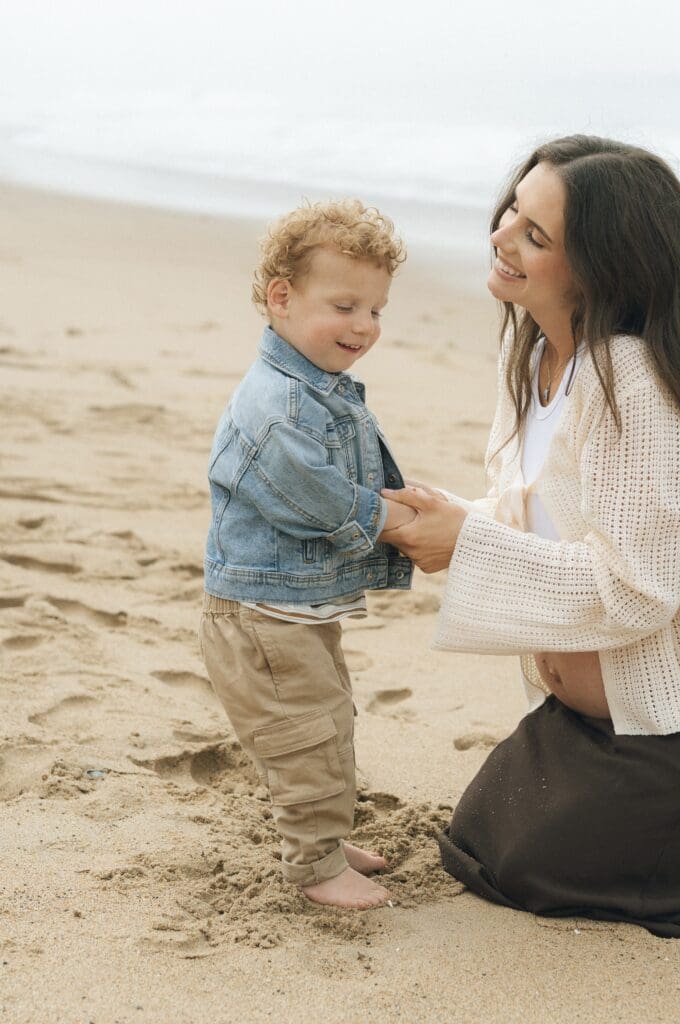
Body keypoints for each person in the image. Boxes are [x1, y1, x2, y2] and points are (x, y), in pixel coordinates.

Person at [383, 136, 680, 937]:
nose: (501, 238)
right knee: (487, 834)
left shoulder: (631, 380)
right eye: (512, 214)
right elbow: (545, 522)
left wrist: (466, 543)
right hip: (621, 715)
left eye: (536, 236)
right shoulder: (532, 356)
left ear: (602, 269)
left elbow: (639, 590)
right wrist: (443, 515)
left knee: (529, 863)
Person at [198, 200, 417, 910]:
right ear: (281, 298)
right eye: (346, 305)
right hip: (262, 614)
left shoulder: (314, 389)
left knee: (330, 720)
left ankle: (324, 837)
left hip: (293, 606)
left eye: (377, 310)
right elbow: (315, 500)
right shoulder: (278, 407)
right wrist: (394, 518)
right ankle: (315, 867)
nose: (364, 327)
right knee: (304, 739)